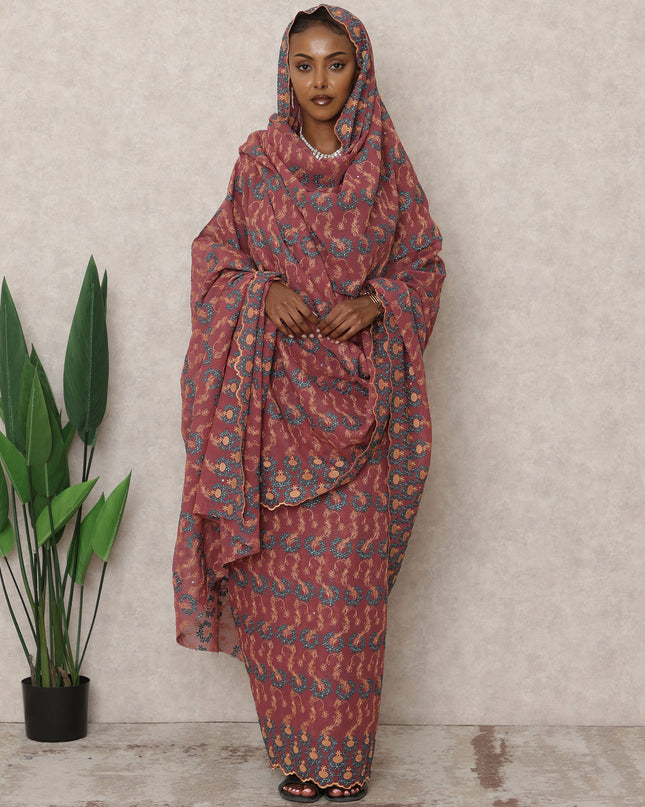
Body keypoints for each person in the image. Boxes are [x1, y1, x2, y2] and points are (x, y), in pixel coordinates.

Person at [173, 5, 445, 803]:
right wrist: (261, 291)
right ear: (284, 71)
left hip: (359, 412)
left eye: (335, 63)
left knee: (346, 602)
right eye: (303, 64)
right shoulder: (259, 163)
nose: (318, 80)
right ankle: (294, 753)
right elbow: (213, 259)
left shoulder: (386, 166)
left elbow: (426, 263)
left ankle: (344, 760)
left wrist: (380, 301)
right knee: (278, 602)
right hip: (270, 416)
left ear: (360, 69)